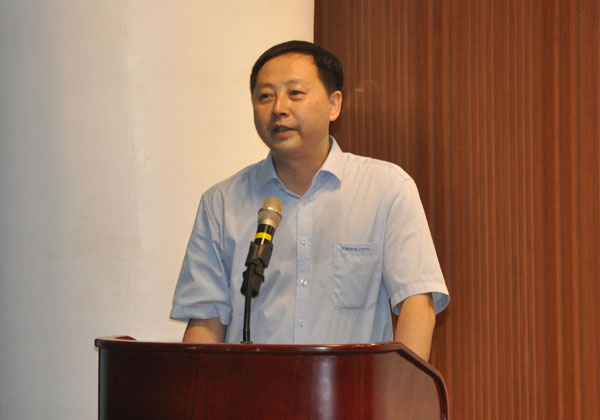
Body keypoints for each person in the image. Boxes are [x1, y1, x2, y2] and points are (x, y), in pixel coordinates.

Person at [170, 40, 449, 361]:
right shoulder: (221, 202)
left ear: (333, 104)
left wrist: (402, 388)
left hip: (355, 389)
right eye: (265, 96)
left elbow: (417, 303)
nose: (278, 108)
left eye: (295, 93)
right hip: (251, 389)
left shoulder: (387, 188)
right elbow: (205, 320)